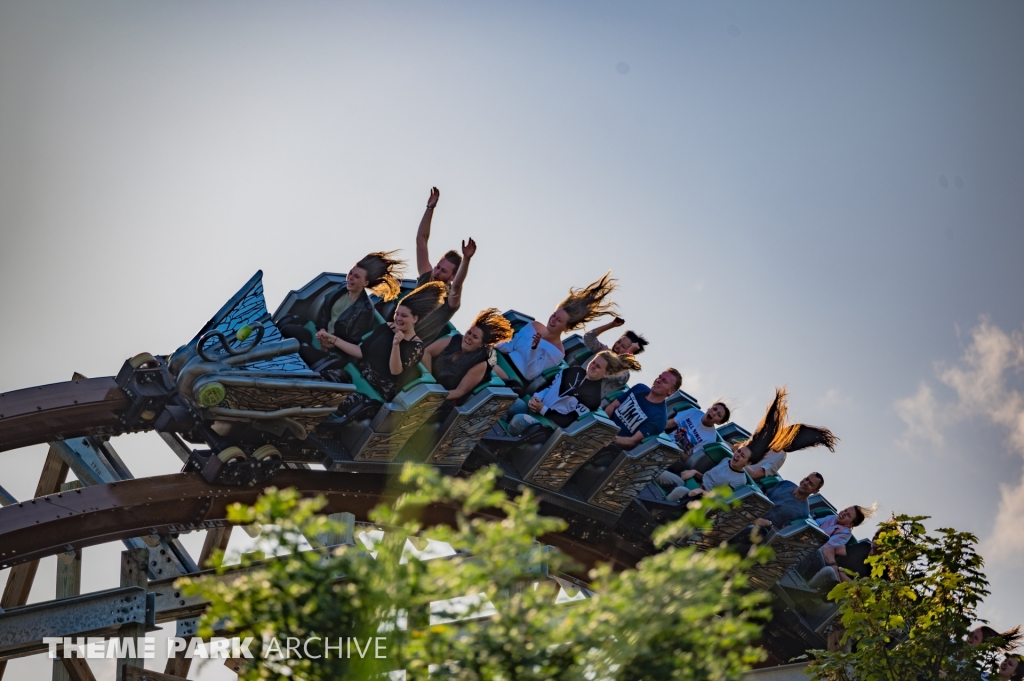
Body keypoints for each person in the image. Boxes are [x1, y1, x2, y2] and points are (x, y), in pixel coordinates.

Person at [322, 281, 446, 418]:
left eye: (404, 316)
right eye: (397, 314)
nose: (398, 318)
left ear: (415, 319)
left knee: (340, 401)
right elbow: (361, 352)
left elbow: (395, 371)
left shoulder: (416, 346)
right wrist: (332, 339)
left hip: (377, 392)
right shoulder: (386, 327)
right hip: (357, 377)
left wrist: (396, 345)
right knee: (322, 380)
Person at [278, 251, 404, 371]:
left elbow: (352, 343)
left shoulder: (365, 310)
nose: (350, 278)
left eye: (356, 277)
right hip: (321, 336)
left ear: (365, 282)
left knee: (302, 350)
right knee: (287, 328)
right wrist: (322, 330)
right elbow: (324, 315)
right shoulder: (341, 289)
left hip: (333, 351)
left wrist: (329, 344)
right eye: (350, 274)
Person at [567, 368, 683, 491]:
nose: (658, 380)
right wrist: (603, 425)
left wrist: (609, 437)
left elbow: (633, 441)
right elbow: (613, 405)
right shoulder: (639, 388)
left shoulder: (659, 417)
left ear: (670, 391)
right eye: (659, 377)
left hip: (616, 448)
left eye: (664, 381)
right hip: (605, 428)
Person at [496, 273, 618, 381]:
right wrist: (492, 342)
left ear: (567, 327)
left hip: (515, 376)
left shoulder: (557, 351)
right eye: (554, 315)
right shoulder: (535, 325)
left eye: (559, 320)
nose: (553, 320)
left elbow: (530, 374)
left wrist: (533, 349)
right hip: (501, 359)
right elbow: (510, 346)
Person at [505, 351, 642, 436]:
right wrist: (536, 398)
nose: (593, 366)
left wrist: (543, 410)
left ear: (606, 373)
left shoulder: (593, 399)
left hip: (549, 426)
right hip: (537, 409)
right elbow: (548, 387)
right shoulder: (573, 371)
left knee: (518, 420)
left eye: (598, 366)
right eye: (594, 362)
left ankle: (501, 451)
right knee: (508, 402)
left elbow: (567, 421)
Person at [412, 186, 477, 345]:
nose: (437, 272)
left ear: (452, 276)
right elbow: (421, 240)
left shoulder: (450, 300)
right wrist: (430, 208)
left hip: (411, 345)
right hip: (394, 328)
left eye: (443, 271)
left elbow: (458, 285)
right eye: (437, 267)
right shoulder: (427, 277)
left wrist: (467, 259)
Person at [422, 308, 513, 404]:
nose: (469, 337)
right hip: (427, 381)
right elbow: (427, 352)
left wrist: (432, 395)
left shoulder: (480, 364)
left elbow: (459, 392)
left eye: (475, 337)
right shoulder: (455, 340)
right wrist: (429, 382)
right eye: (469, 333)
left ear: (481, 344)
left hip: (444, 397)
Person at [745, 389, 838, 480]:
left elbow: (754, 474)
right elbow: (737, 449)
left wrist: (737, 463)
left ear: (790, 445)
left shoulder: (779, 456)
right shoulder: (765, 440)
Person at [799, 504, 874, 586]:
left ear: (850, 524)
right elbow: (814, 524)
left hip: (819, 558)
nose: (844, 513)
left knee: (814, 549)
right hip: (807, 543)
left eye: (848, 515)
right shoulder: (831, 517)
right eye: (845, 510)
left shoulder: (845, 533)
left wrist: (810, 538)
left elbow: (826, 547)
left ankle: (796, 576)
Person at [581, 317, 649, 398]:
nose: (617, 346)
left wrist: (630, 353)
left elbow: (615, 370)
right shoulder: (604, 351)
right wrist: (611, 325)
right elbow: (588, 338)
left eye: (623, 346)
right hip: (573, 382)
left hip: (586, 398)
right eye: (618, 342)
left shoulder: (625, 374)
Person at [662, 443, 753, 502]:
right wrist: (694, 472)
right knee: (662, 474)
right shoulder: (726, 460)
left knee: (680, 490)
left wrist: (701, 492)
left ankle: (656, 514)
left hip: (702, 498)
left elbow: (719, 499)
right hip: (696, 484)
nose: (737, 455)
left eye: (742, 456)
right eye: (738, 451)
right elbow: (708, 478)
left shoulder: (740, 480)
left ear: (747, 463)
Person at [666, 402, 731, 460]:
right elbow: (670, 423)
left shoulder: (710, 439)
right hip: (665, 441)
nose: (714, 413)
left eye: (718, 415)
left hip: (675, 457)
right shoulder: (693, 412)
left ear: (719, 422)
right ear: (710, 408)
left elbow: (689, 459)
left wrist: (674, 449)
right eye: (714, 409)